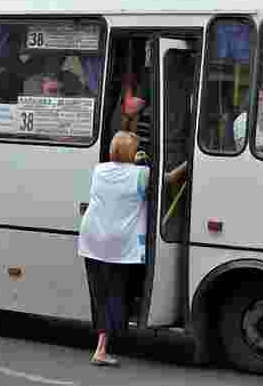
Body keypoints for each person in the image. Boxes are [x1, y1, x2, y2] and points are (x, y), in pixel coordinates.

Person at [78, 131, 186, 367]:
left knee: (100, 294)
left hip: (92, 238)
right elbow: (169, 179)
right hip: (119, 244)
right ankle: (103, 347)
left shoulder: (100, 170)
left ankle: (102, 344)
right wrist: (190, 161)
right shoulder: (142, 174)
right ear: (131, 152)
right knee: (117, 292)